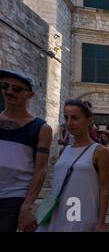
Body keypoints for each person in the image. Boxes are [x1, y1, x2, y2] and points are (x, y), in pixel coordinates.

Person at [37, 99, 109, 232]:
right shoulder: (65, 150)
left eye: (75, 118)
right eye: (66, 117)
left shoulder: (100, 151)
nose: (69, 123)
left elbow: (104, 189)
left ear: (89, 120)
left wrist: (101, 223)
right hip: (55, 211)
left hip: (80, 213)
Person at [0, 70, 52, 232]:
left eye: (16, 89)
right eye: (5, 86)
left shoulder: (41, 128)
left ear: (30, 95)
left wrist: (27, 205)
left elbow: (41, 169)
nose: (9, 91)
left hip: (13, 197)